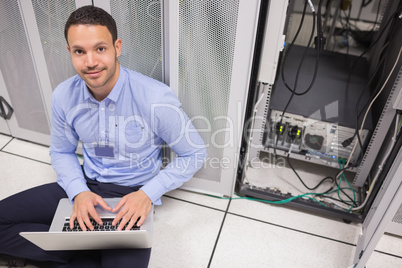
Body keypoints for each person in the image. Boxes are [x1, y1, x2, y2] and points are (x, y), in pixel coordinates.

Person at [0, 5, 206, 268]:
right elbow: (61, 151)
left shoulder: (155, 97)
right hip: (87, 185)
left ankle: (76, 252)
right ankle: (73, 252)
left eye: (100, 48)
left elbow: (195, 153)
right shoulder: (64, 95)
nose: (90, 62)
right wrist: (79, 193)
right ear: (70, 53)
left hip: (131, 195)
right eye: (79, 51)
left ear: (117, 47)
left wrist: (146, 195)